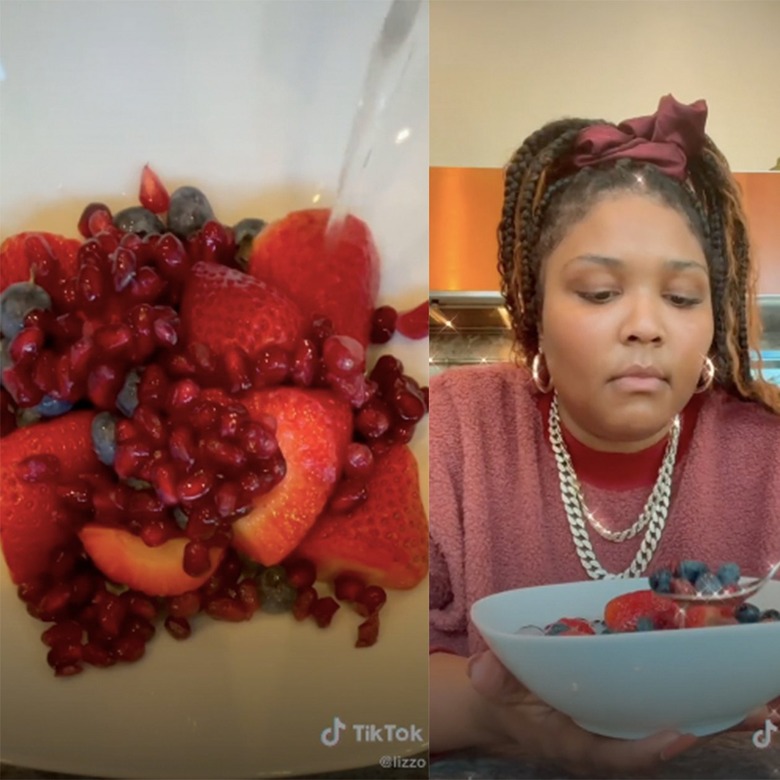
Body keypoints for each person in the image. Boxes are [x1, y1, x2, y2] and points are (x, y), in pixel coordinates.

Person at [428, 94, 780, 776]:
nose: (646, 325)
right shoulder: (448, 433)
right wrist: (498, 717)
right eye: (597, 292)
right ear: (533, 308)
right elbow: (342, 699)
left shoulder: (767, 455)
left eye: (681, 298)